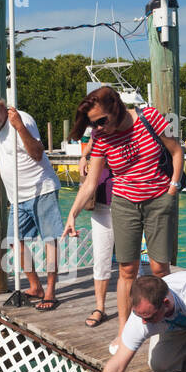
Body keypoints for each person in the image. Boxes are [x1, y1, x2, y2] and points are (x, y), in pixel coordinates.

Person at [63, 86, 183, 346]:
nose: (98, 127)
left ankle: (166, 324)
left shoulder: (150, 117)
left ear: (115, 107)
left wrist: (172, 189)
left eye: (102, 121)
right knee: (127, 270)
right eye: (93, 124)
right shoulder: (101, 138)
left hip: (158, 200)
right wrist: (72, 214)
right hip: (124, 204)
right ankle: (124, 331)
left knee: (160, 267)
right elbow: (91, 182)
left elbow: (176, 151)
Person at [0, 90, 63, 310]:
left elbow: (37, 153)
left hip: (41, 189)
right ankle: (36, 286)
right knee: (15, 240)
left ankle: (51, 292)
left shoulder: (22, 120)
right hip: (17, 197)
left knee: (50, 240)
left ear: (2, 105)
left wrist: (19, 127)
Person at [71, 133, 115, 327]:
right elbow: (89, 147)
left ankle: (134, 308)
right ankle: (100, 307)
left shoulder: (130, 129)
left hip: (128, 204)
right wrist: (83, 158)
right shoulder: (99, 130)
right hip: (101, 204)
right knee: (101, 258)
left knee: (131, 263)